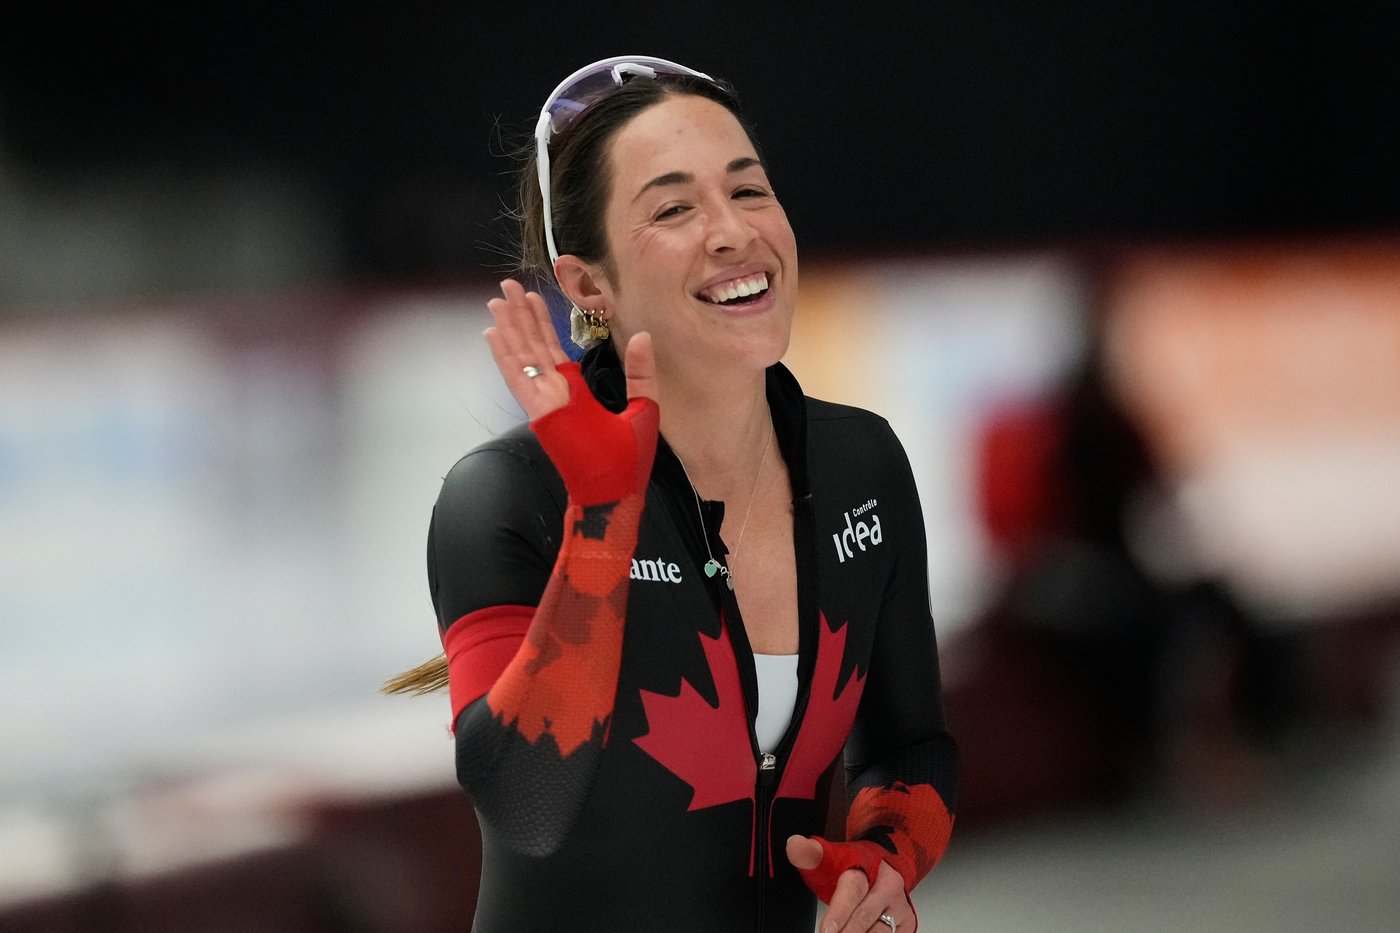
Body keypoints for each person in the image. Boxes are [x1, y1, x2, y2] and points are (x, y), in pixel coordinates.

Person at [385, 55, 957, 933]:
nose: (732, 232)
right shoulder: (507, 495)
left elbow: (909, 749)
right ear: (587, 285)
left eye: (750, 191)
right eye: (675, 208)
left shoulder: (863, 468)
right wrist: (604, 517)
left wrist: (882, 858)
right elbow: (527, 810)